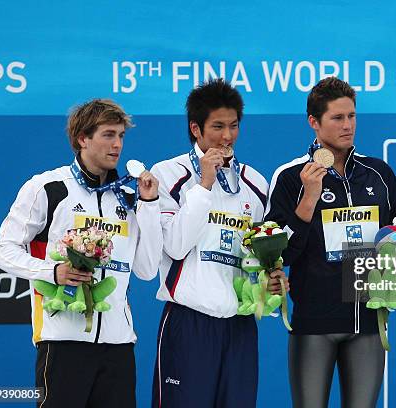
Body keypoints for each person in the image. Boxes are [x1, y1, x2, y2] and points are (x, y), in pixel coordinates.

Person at [0, 99, 163, 407]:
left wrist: (149, 204)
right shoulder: (48, 187)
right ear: (83, 138)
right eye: (109, 135)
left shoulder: (127, 196)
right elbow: (3, 251)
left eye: (121, 136)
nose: (117, 145)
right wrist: (51, 272)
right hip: (62, 341)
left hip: (119, 345)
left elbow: (147, 270)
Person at [265, 77, 396, 408]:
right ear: (314, 122)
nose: (347, 126)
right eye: (337, 118)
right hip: (315, 323)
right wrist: (308, 200)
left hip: (367, 322)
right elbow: (281, 255)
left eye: (352, 116)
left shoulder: (379, 173)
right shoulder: (290, 177)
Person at [150, 78, 288, 408]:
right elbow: (176, 246)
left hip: (239, 329)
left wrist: (270, 279)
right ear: (196, 129)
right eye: (217, 127)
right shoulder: (169, 174)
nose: (227, 136)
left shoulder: (255, 183)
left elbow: (258, 255)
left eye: (234, 126)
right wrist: (205, 182)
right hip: (189, 322)